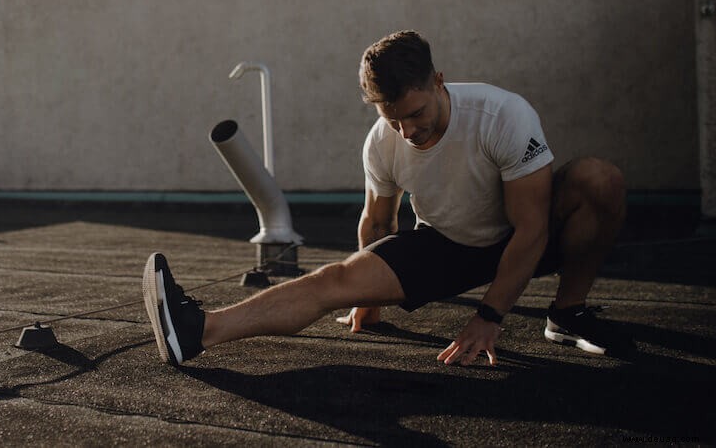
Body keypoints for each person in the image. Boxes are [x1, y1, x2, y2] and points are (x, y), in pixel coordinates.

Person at [143, 30, 633, 367]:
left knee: (599, 179)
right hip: (446, 244)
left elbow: (532, 229)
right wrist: (365, 295)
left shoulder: (502, 116)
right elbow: (378, 223)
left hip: (521, 234)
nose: (408, 130)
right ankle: (196, 330)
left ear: (438, 81)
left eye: (416, 114)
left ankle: (568, 314)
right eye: (394, 119)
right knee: (332, 280)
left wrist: (488, 317)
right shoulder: (382, 141)